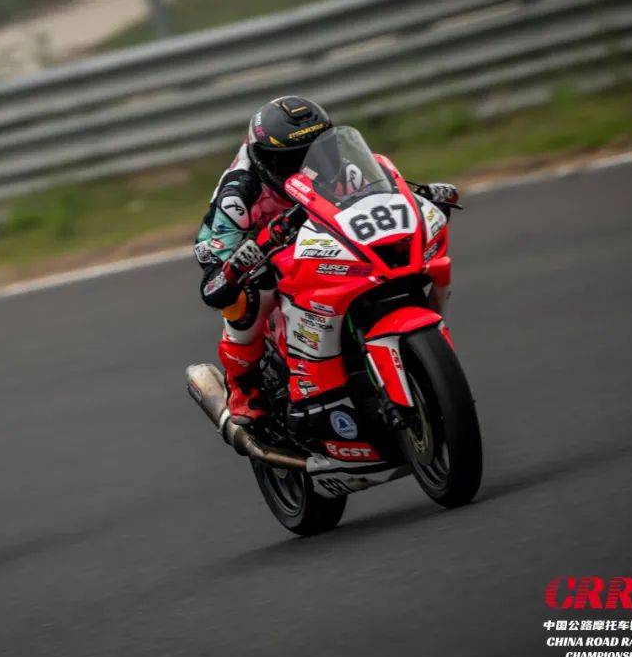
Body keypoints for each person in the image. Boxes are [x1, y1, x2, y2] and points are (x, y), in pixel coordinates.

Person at [193, 96, 460, 426]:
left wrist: (417, 198)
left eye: (317, 150)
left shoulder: (337, 165)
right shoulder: (240, 193)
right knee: (247, 295)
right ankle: (242, 385)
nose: (306, 165)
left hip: (315, 234)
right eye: (293, 160)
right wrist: (235, 265)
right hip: (246, 244)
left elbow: (375, 200)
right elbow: (213, 282)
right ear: (266, 161)